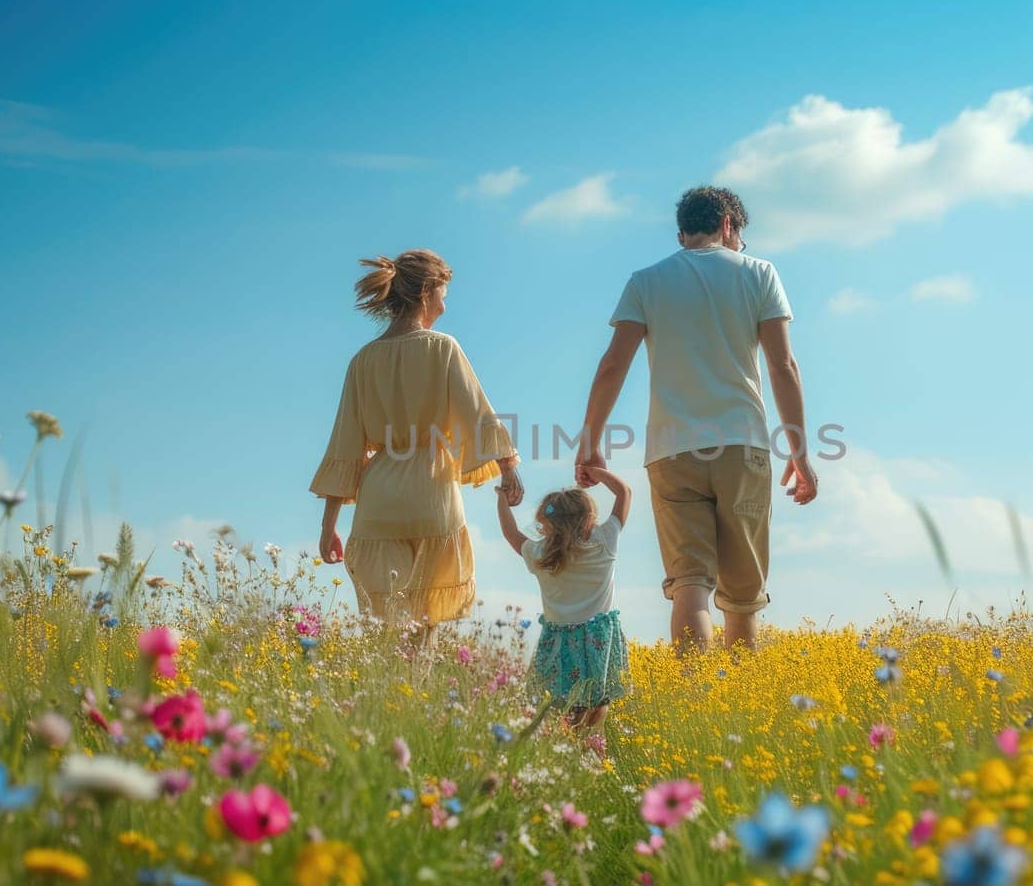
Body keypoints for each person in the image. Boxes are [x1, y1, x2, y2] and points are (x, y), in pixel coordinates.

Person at [576, 186, 817, 655]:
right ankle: (737, 708)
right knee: (742, 597)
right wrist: (800, 452)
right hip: (742, 446)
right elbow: (783, 367)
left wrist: (590, 442)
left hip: (670, 451)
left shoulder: (646, 281)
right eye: (739, 236)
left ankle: (694, 699)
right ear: (729, 225)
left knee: (690, 585)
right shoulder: (760, 273)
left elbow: (612, 366)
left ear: (683, 232)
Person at [311, 249, 523, 631]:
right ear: (426, 291)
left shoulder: (363, 360)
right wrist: (507, 468)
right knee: (425, 624)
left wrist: (329, 525)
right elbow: (479, 413)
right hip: (432, 495)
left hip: (378, 504)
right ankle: (419, 687)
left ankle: (389, 687)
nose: (444, 304)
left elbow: (345, 444)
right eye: (443, 292)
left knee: (386, 624)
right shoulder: (442, 347)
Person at [496, 467, 631, 732]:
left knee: (561, 707)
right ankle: (589, 745)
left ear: (546, 524)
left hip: (559, 641)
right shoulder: (604, 541)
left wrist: (502, 497)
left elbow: (511, 533)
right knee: (597, 701)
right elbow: (624, 492)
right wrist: (594, 472)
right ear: (588, 518)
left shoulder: (540, 554)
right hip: (598, 639)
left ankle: (565, 746)